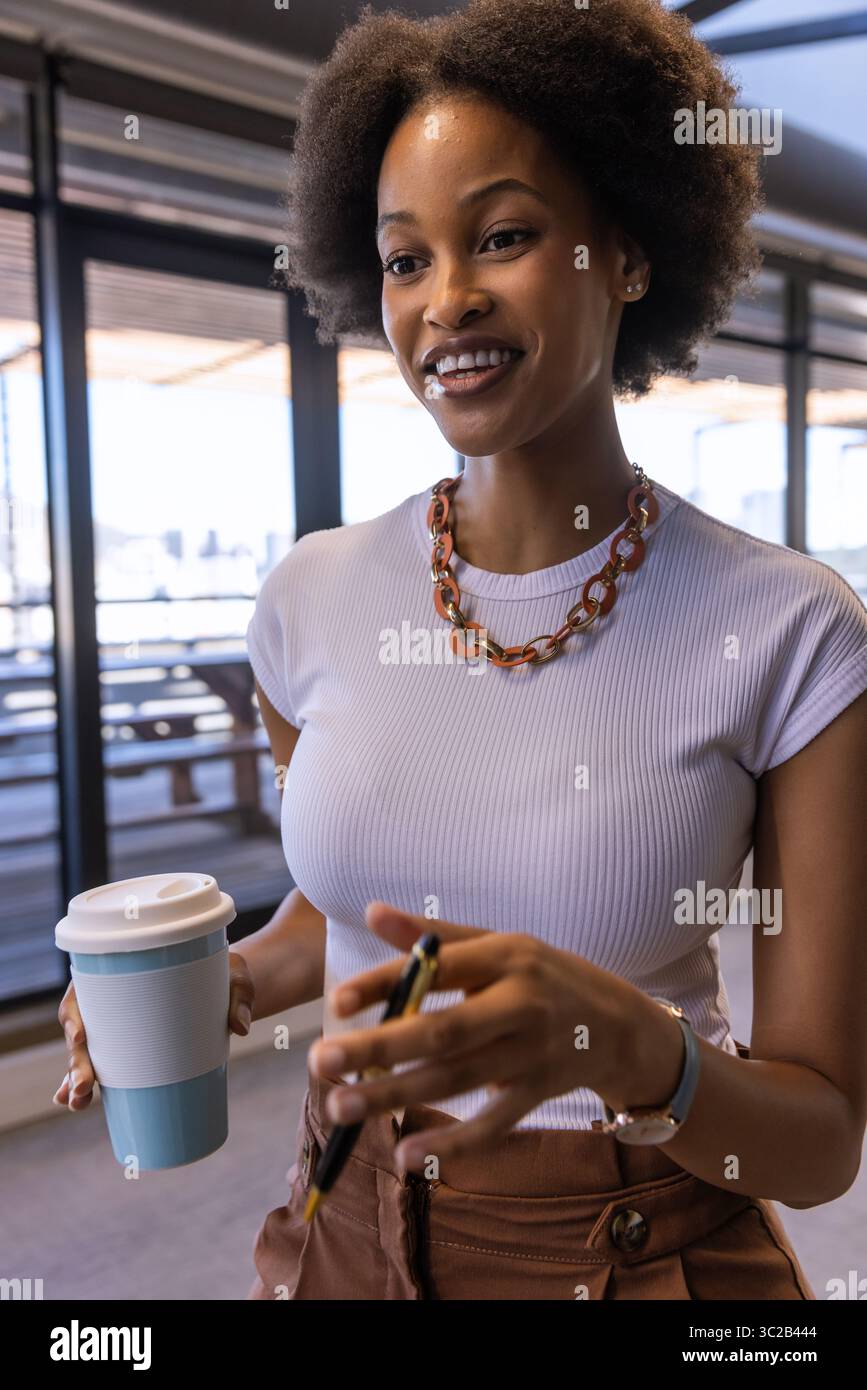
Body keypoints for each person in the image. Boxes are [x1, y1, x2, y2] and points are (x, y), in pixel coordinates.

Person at [56, 0, 867, 1301]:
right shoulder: (308, 602)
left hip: (636, 1249)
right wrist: (214, 986)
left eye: (504, 236)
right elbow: (342, 917)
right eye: (403, 258)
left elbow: (822, 1138)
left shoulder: (791, 632)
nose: (448, 300)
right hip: (347, 1225)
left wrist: (613, 1039)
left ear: (631, 251)